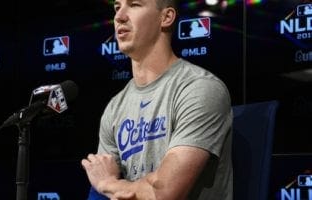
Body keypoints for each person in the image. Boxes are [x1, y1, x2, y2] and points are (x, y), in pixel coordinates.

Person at [81, 0, 233, 199]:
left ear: (166, 17)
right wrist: (111, 186)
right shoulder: (114, 108)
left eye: (134, 5)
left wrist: (108, 183)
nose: (119, 16)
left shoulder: (200, 88)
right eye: (117, 7)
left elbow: (164, 193)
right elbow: (102, 195)